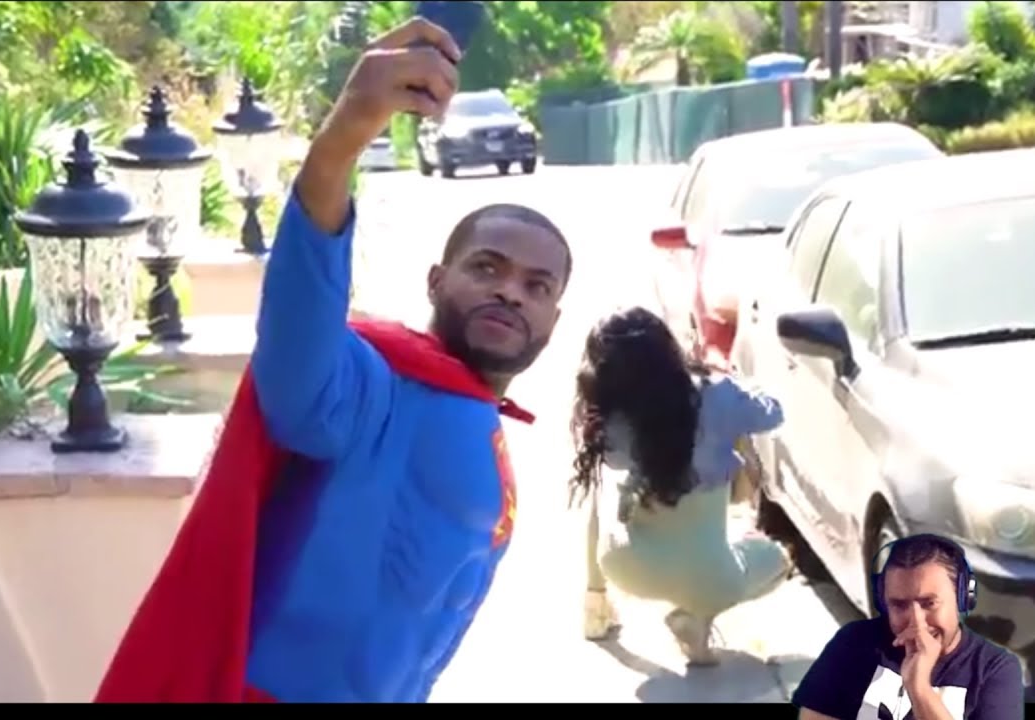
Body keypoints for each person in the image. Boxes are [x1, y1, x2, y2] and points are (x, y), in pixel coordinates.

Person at [95, 17, 571, 704]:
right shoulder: (373, 387)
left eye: (537, 286)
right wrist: (343, 138)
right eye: (487, 268)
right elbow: (299, 341)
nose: (510, 291)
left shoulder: (472, 411)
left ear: (554, 319)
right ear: (436, 282)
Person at [571, 307, 792, 665]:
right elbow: (773, 412)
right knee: (777, 560)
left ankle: (595, 603)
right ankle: (696, 618)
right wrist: (739, 384)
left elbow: (619, 460)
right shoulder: (716, 394)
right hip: (712, 578)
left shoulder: (607, 415)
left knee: (603, 491)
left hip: (622, 566)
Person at [792, 534, 1025, 720]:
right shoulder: (855, 642)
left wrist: (919, 688)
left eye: (929, 603)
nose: (916, 622)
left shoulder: (995, 670)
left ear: (963, 598)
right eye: (899, 605)